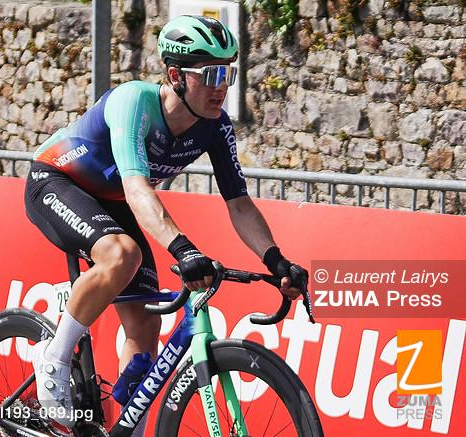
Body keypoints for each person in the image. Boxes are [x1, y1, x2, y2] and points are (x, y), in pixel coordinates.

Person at [24, 14, 308, 435]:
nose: (221, 87)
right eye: (211, 74)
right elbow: (138, 189)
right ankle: (55, 355)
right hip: (57, 181)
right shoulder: (134, 102)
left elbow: (239, 203)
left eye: (228, 73)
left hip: (113, 201)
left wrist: (276, 260)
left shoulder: (214, 126)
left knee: (144, 329)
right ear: (175, 76)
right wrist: (183, 249)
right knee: (121, 254)